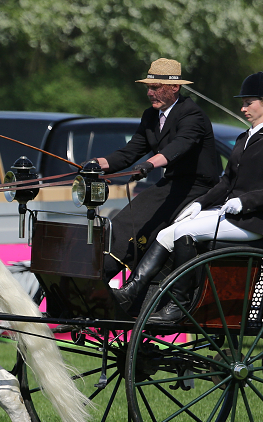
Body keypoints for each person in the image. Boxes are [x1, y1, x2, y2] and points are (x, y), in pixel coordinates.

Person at [110, 71, 263, 322]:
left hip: (252, 222)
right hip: (229, 215)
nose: (243, 108)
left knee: (185, 233)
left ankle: (178, 305)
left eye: (248, 103)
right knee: (168, 232)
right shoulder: (243, 138)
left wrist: (244, 202)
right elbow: (226, 181)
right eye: (243, 103)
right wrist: (200, 203)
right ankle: (132, 292)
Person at [93, 58, 222, 280]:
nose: (150, 93)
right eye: (148, 88)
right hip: (172, 183)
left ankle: (123, 280)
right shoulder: (150, 116)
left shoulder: (192, 114)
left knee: (140, 221)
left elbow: (179, 146)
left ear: (175, 87)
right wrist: (97, 165)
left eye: (155, 88)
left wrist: (149, 164)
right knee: (124, 220)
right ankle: (98, 273)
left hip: (198, 187)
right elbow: (130, 151)